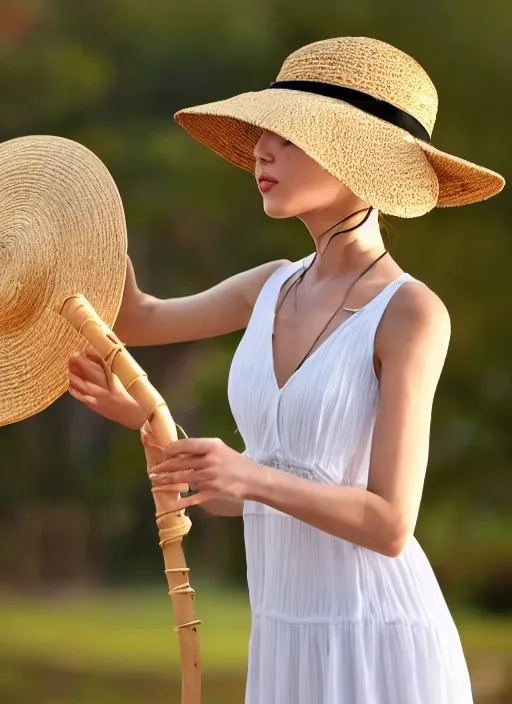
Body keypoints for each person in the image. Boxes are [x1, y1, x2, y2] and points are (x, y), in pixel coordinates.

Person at [68, 37, 505, 704]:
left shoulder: (410, 311)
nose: (262, 150)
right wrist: (153, 423)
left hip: (374, 638)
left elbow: (390, 525)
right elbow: (136, 320)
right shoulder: (271, 285)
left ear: (362, 157)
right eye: (264, 132)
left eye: (290, 136)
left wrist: (248, 473)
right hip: (283, 637)